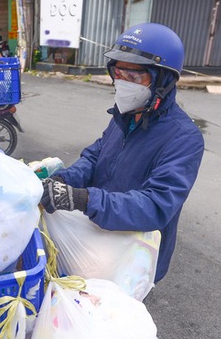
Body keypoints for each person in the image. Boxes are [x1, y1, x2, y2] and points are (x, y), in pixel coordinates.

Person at [40, 23, 204, 283]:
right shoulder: (124, 116)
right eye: (119, 73)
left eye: (136, 77)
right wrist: (64, 181)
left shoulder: (184, 138)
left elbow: (156, 205)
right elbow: (95, 157)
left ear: (163, 80)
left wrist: (84, 200)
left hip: (134, 256)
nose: (123, 83)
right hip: (98, 239)